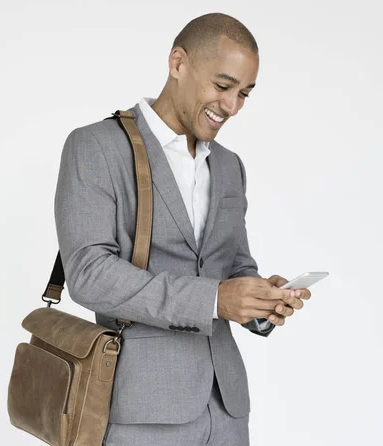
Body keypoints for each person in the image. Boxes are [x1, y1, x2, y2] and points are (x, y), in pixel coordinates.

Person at [54, 12, 311, 446]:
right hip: (141, 410)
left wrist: (261, 300)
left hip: (227, 409)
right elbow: (89, 273)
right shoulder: (96, 146)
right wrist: (214, 299)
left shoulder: (229, 166)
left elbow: (234, 264)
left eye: (245, 94)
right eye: (223, 86)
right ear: (178, 63)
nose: (231, 107)